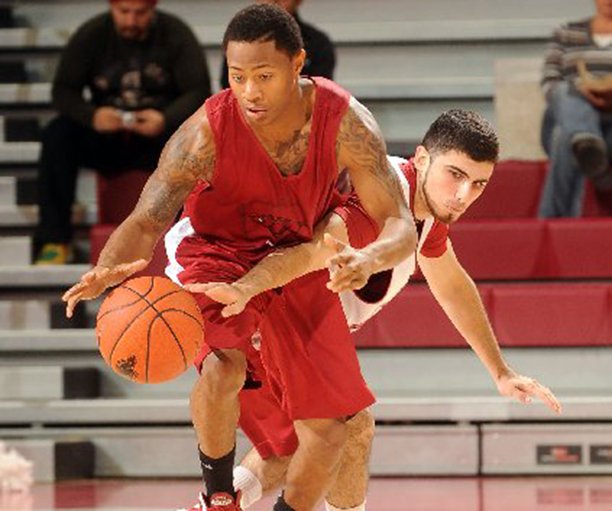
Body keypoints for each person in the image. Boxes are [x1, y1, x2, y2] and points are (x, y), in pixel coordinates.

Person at [63, 4, 415, 511]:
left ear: (298, 64)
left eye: (264, 76)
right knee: (223, 367)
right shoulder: (204, 133)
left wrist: (370, 257)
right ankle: (220, 494)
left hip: (297, 256)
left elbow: (400, 223)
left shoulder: (346, 124)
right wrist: (107, 267)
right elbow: (146, 218)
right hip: (215, 254)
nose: (249, 91)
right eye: (237, 76)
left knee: (334, 429)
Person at [193, 110, 563, 510]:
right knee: (349, 429)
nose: (463, 195)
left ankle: (217, 503)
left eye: (478, 184)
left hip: (268, 313)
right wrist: (248, 291)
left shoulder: (424, 212)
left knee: (298, 444)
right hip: (258, 313)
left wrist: (501, 372)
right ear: (421, 158)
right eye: (454, 175)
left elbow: (453, 285)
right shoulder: (378, 196)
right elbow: (311, 251)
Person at [34, 0, 211, 265]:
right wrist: (92, 117)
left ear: (153, 8)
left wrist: (165, 118)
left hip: (159, 140)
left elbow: (199, 90)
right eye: (124, 12)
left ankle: (192, 241)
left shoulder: (175, 33)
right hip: (107, 137)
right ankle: (55, 239)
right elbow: (63, 91)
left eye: (139, 13)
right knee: (57, 135)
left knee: (199, 140)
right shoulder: (92, 34)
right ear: (112, 7)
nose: (131, 21)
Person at [539, 0, 612, 218]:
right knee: (563, 91)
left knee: (565, 139)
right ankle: (585, 137)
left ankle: (552, 224)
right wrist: (583, 92)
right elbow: (549, 83)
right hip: (567, 111)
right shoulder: (566, 32)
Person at [219, 0, 335, 89]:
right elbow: (227, 89)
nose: (274, 1)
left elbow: (319, 94)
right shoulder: (238, 40)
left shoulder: (318, 42)